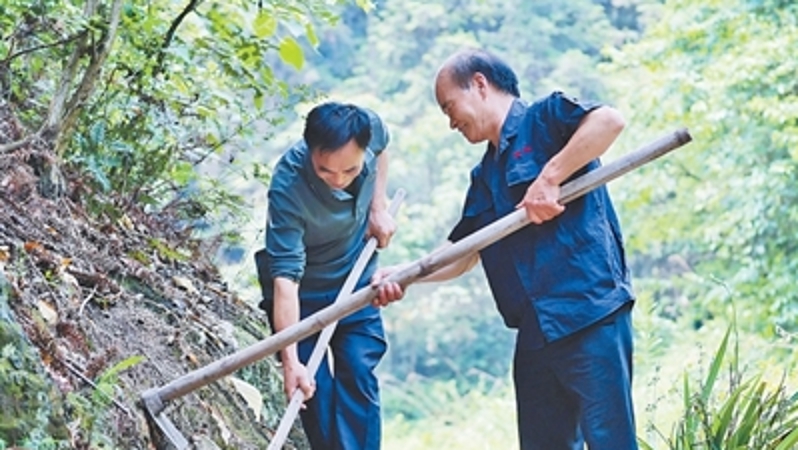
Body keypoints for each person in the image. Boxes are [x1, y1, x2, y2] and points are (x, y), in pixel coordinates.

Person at [374, 49, 638, 449]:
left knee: (610, 441)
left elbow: (609, 120)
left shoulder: (546, 119)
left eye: (450, 107)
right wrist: (405, 276)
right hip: (534, 334)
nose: (450, 123)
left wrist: (550, 177)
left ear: (479, 84)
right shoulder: (484, 175)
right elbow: (463, 251)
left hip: (589, 315)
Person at [255, 101, 399, 450]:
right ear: (309, 150)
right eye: (325, 171)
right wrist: (290, 361)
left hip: (355, 281)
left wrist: (377, 207)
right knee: (311, 392)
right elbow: (286, 281)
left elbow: (382, 151)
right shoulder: (288, 185)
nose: (338, 180)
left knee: (359, 373)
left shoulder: (371, 129)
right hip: (301, 298)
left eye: (350, 171)